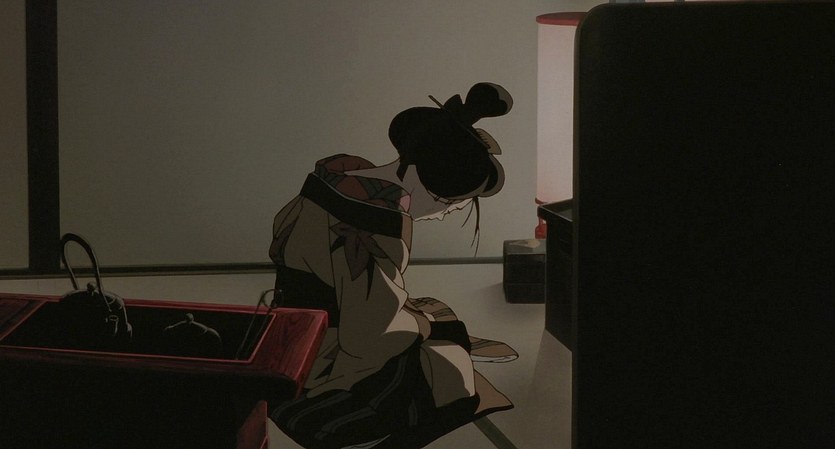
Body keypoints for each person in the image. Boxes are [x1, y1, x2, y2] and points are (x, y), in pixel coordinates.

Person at [268, 82, 516, 449]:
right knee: (449, 371)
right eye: (448, 206)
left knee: (432, 317)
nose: (440, 215)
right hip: (322, 359)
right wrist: (425, 329)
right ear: (423, 183)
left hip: (285, 332)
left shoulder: (333, 182)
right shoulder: (374, 225)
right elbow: (368, 337)